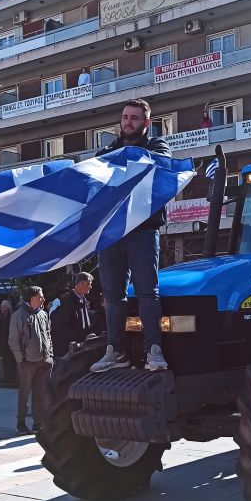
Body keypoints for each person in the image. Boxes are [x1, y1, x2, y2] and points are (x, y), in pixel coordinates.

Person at [90, 98, 172, 373]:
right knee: (112, 295)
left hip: (143, 232)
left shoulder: (157, 148)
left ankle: (153, 351)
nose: (127, 122)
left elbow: (159, 167)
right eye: (125, 117)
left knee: (148, 292)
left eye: (134, 118)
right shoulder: (108, 150)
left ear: (146, 123)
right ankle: (116, 351)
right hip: (112, 233)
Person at [9, 286, 53, 435]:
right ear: (32, 298)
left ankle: (37, 423)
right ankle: (21, 423)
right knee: (24, 393)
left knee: (40, 393)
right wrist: (21, 360)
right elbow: (13, 340)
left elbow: (48, 335)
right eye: (40, 297)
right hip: (27, 362)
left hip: (44, 361)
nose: (43, 299)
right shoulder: (18, 315)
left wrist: (50, 355)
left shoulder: (43, 314)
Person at [51, 272, 95, 357]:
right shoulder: (66, 301)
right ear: (81, 284)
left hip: (79, 347)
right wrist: (82, 338)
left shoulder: (82, 300)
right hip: (67, 351)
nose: (91, 286)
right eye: (89, 284)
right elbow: (62, 326)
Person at [0, 299, 17, 384]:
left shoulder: (10, 317)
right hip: (3, 342)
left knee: (10, 361)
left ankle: (11, 378)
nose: (1, 308)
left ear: (6, 307)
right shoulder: (2, 317)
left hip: (9, 342)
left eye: (2, 307)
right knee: (5, 360)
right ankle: (7, 378)